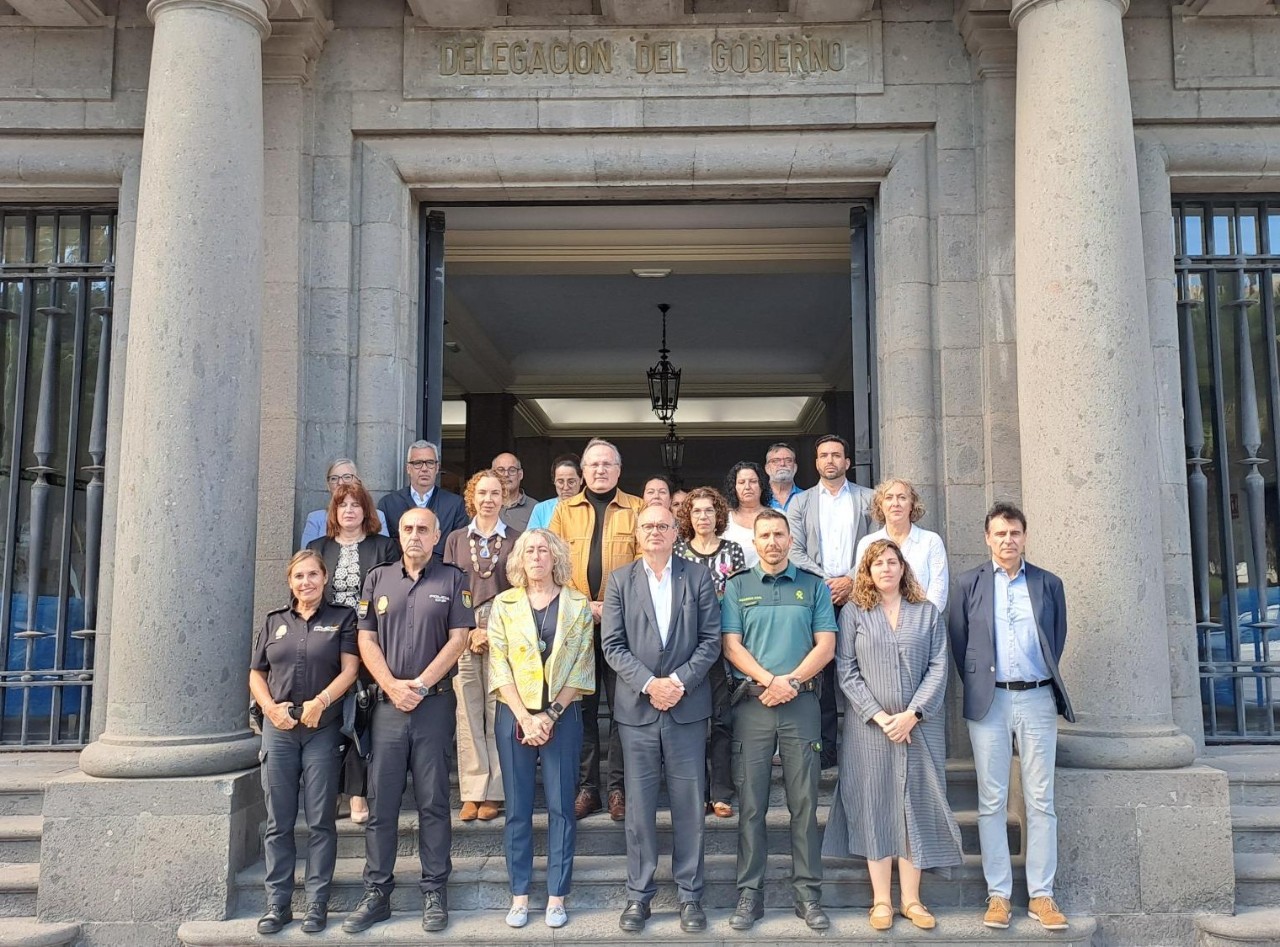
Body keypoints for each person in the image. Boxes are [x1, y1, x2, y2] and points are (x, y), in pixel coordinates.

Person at [341, 508, 473, 935]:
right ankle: (377, 893)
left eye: (423, 529)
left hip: (433, 707)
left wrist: (417, 685)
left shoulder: (453, 580)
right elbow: (365, 638)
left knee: (434, 802)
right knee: (381, 805)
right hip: (387, 709)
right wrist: (393, 686)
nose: (415, 535)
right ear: (399, 534)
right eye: (408, 529)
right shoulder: (378, 578)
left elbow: (460, 640)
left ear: (437, 536)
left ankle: (435, 891)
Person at [948, 501, 1074, 932]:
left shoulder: (1048, 583)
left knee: (1041, 800)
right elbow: (960, 641)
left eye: (1014, 533)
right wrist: (984, 685)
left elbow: (1054, 638)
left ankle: (1042, 894)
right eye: (999, 534)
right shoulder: (968, 584)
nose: (1007, 540)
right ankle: (998, 894)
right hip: (991, 701)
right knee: (992, 800)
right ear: (987, 538)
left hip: (1037, 700)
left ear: (1025, 536)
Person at [823, 539, 961, 932]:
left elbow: (939, 666)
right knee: (875, 804)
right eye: (877, 563)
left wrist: (912, 714)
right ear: (865, 572)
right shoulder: (854, 613)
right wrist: (880, 716)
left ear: (903, 567)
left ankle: (912, 900)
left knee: (914, 805)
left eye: (892, 561)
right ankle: (881, 900)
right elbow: (845, 670)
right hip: (870, 729)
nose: (885, 568)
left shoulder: (926, 613)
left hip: (919, 727)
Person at [602, 504, 721, 934]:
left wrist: (679, 683)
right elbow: (612, 646)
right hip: (637, 711)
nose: (655, 532)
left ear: (676, 533)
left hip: (687, 710)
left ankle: (691, 897)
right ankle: (639, 896)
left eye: (663, 526)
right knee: (639, 809)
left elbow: (711, 641)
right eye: (648, 526)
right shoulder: (619, 580)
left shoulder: (698, 577)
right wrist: (651, 684)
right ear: (638, 533)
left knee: (690, 806)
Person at [721, 509, 836, 933]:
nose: (772, 541)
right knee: (751, 805)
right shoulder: (737, 587)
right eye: (764, 535)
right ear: (754, 541)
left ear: (790, 540)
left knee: (804, 803)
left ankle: (808, 896)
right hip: (752, 706)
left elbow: (826, 645)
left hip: (800, 705)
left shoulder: (813, 586)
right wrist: (771, 681)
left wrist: (790, 682)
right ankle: (750, 893)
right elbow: (731, 646)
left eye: (779, 534)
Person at [488, 529, 596, 930]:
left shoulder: (577, 603)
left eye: (543, 550)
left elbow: (583, 666)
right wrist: (524, 716)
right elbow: (498, 665)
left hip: (561, 717)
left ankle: (556, 896)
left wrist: (549, 715)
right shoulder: (504, 603)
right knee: (517, 809)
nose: (536, 556)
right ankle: (519, 895)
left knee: (561, 808)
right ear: (520, 558)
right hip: (514, 716)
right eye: (529, 550)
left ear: (555, 557)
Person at [249, 550, 359, 935]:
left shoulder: (342, 618)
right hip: (279, 729)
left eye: (313, 574)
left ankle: (317, 905)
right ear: (290, 581)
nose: (306, 582)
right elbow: (256, 673)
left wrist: (322, 701)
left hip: (322, 729)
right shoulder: (274, 621)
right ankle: (277, 905)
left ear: (325, 578)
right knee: (278, 822)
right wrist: (269, 710)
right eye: (299, 576)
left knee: (320, 821)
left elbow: (350, 669)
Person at [548, 437, 645, 822]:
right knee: (581, 709)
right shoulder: (563, 511)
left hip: (623, 625)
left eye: (607, 464)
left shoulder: (637, 508)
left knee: (624, 709)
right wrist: (583, 606)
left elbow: (644, 563)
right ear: (583, 471)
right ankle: (588, 787)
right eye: (593, 465)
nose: (600, 470)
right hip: (576, 624)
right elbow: (552, 562)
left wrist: (612, 606)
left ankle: (619, 787)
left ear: (619, 470)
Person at [306, 481, 398, 826]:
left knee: (361, 718)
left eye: (355, 505)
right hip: (325, 642)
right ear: (334, 511)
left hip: (369, 640)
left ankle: (358, 792)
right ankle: (329, 792)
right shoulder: (318, 547)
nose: (349, 511)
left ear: (366, 512)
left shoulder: (385, 548)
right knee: (328, 717)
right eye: (342, 505)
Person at [786, 434, 875, 769]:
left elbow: (877, 543)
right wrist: (825, 582)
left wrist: (851, 579)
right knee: (820, 672)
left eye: (836, 455)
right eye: (824, 455)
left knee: (861, 668)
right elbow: (794, 549)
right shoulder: (801, 503)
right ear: (816, 463)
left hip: (860, 595)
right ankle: (826, 750)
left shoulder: (868, 499)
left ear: (847, 462)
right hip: (817, 595)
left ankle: (862, 745)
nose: (830, 461)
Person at [442, 469, 521, 822]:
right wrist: (470, 628)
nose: (488, 499)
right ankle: (473, 792)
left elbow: (523, 590)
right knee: (467, 710)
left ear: (504, 498)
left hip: (505, 630)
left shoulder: (517, 539)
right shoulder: (456, 539)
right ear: (471, 497)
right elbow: (447, 589)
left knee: (498, 709)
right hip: (463, 629)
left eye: (495, 493)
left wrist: (494, 629)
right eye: (482, 493)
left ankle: (496, 792)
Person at [673, 485, 744, 817]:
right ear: (688, 516)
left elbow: (739, 599)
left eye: (709, 510)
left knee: (722, 720)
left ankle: (721, 792)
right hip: (686, 649)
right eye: (696, 511)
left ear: (719, 515)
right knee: (690, 723)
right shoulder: (677, 553)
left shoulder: (734, 552)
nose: (703, 516)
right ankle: (696, 792)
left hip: (724, 647)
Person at [854, 478, 949, 612]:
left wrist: (921, 623)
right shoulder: (867, 543)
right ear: (880, 505)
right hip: (878, 626)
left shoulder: (931, 541)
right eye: (889, 498)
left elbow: (938, 591)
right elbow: (862, 589)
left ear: (912, 505)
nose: (895, 503)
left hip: (922, 627)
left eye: (902, 497)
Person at [377, 440, 467, 561]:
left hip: (442, 574)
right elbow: (382, 549)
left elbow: (459, 548)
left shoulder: (455, 504)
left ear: (437, 468)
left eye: (430, 463)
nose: (424, 469)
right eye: (418, 463)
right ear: (408, 468)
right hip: (400, 574)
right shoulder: (388, 504)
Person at [300, 458, 388, 547]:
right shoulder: (315, 519)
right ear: (328, 485)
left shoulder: (378, 516)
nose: (340, 482)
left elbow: (383, 548)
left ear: (358, 482)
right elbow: (307, 555)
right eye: (334, 478)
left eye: (347, 477)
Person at [721, 461, 768, 569]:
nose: (747, 487)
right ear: (734, 487)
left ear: (761, 485)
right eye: (741, 482)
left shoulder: (778, 516)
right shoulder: (724, 519)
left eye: (753, 481)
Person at [527, 454, 583, 531]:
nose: (566, 487)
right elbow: (531, 540)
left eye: (571, 482)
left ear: (581, 480)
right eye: (560, 482)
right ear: (554, 481)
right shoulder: (541, 509)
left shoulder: (590, 508)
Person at [493, 451, 540, 531]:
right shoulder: (485, 505)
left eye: (512, 470)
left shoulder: (536, 508)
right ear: (493, 474)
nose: (506, 475)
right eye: (501, 470)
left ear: (520, 474)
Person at [765, 442, 803, 511]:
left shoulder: (807, 497)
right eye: (776, 461)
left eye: (788, 460)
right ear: (767, 468)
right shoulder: (758, 498)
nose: (782, 464)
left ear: (795, 467)